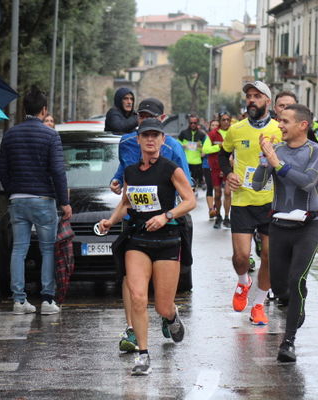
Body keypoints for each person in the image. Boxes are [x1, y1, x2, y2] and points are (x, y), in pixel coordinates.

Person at [98, 118, 196, 376]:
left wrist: (166, 215)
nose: (151, 140)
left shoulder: (171, 169)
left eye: (156, 135)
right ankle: (143, 354)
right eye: (146, 136)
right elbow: (127, 204)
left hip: (167, 241)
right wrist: (110, 220)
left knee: (162, 306)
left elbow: (190, 201)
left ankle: (172, 316)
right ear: (138, 140)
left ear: (163, 140)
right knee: (139, 298)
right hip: (138, 241)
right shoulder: (130, 171)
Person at [252, 104, 318, 362]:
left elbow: (308, 183)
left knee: (296, 280)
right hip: (279, 225)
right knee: (282, 286)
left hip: (308, 224)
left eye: (284, 121)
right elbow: (257, 184)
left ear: (302, 125)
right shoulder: (277, 150)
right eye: (279, 121)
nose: (279, 125)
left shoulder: (316, 150)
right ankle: (296, 304)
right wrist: (265, 160)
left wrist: (277, 163)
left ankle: (288, 341)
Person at [0, 86, 72, 315]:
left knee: (18, 249)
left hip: (18, 200)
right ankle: (48, 300)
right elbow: (58, 171)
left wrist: (14, 190)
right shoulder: (51, 135)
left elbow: (2, 170)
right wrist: (64, 201)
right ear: (44, 110)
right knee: (48, 249)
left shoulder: (11, 134)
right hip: (42, 199)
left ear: (24, 110)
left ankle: (19, 300)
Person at [218, 81, 282, 325]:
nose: (251, 100)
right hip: (243, 200)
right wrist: (228, 174)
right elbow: (223, 154)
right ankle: (243, 281)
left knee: (268, 256)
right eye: (248, 96)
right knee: (241, 256)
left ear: (267, 101)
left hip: (271, 202)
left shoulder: (279, 129)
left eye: (257, 96)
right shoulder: (236, 129)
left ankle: (258, 304)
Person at [203, 112, 233, 229]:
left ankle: (227, 217)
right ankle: (218, 216)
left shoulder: (233, 132)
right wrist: (219, 146)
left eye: (227, 120)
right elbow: (205, 149)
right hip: (215, 167)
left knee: (227, 192)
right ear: (220, 121)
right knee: (217, 193)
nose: (226, 122)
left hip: (229, 167)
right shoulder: (212, 134)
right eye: (223, 120)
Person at [178, 115, 206, 191]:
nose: (193, 124)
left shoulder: (202, 135)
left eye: (195, 123)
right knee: (185, 180)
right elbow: (177, 144)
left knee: (195, 182)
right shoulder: (183, 133)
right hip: (186, 161)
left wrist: (201, 148)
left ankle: (194, 194)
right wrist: (182, 146)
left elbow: (206, 147)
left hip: (197, 161)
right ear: (188, 123)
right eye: (191, 123)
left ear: (197, 123)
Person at [202, 120, 218, 219]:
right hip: (207, 165)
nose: (215, 127)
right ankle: (211, 209)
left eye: (217, 125)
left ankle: (216, 206)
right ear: (209, 126)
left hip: (219, 166)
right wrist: (218, 147)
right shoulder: (206, 137)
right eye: (213, 125)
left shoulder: (222, 137)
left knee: (218, 188)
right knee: (210, 187)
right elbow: (203, 152)